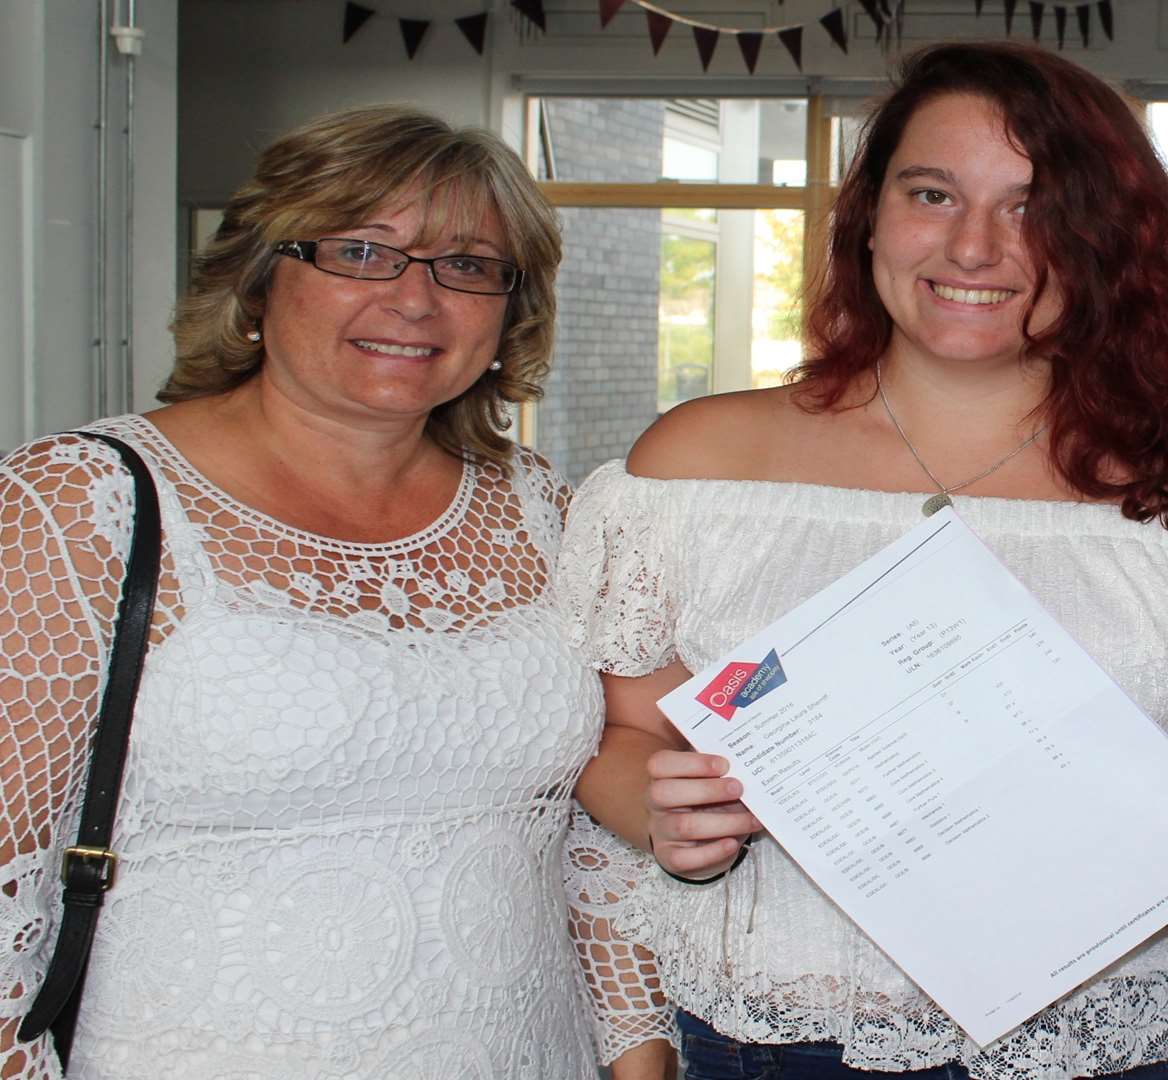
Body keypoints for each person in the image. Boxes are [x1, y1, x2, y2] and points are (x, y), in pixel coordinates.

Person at [558, 41, 1168, 1080]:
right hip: (772, 1041)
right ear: (870, 214)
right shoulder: (697, 467)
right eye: (933, 193)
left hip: (1105, 1050)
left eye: (1032, 205)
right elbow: (620, 734)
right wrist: (654, 814)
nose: (975, 246)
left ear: (1110, 240)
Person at [0, 105, 671, 1078]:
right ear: (262, 277)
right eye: (363, 252)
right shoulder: (81, 504)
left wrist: (640, 1064)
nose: (416, 300)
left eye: (469, 265)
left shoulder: (545, 510)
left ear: (507, 312)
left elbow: (585, 844)